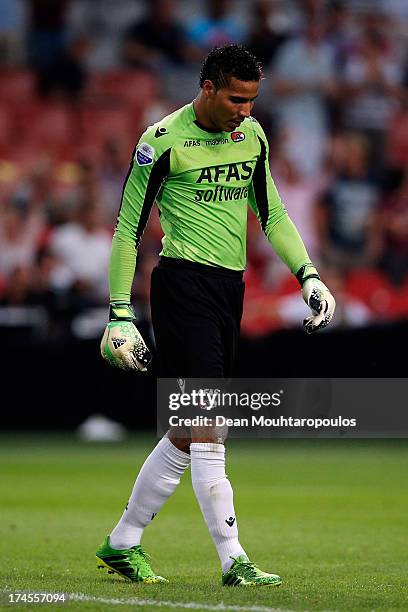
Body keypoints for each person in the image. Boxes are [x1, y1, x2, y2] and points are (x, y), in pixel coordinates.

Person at [96, 44, 335, 587]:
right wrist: (119, 313)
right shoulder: (160, 142)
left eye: (252, 101)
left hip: (231, 291)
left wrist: (309, 275)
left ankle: (122, 541)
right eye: (235, 99)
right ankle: (234, 560)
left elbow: (272, 214)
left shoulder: (251, 137)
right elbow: (127, 230)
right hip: (182, 287)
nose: (244, 111)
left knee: (188, 430)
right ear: (207, 88)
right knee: (209, 428)